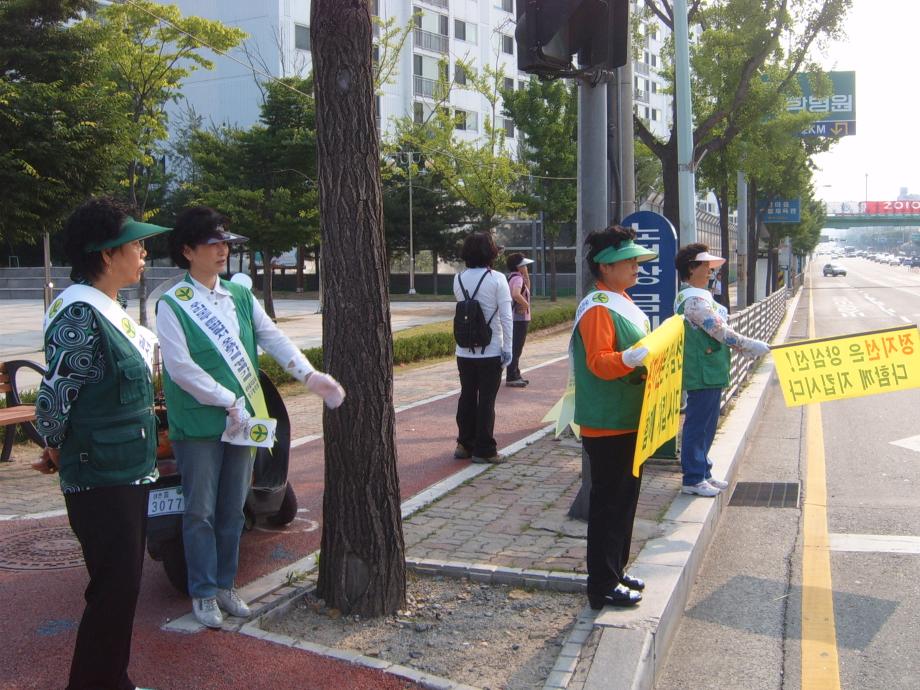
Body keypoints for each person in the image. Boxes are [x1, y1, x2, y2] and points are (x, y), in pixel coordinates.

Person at [156, 206, 345, 629]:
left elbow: (273, 338)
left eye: (225, 242)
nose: (222, 250)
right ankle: (202, 591)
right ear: (187, 250)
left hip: (243, 422)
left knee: (233, 510)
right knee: (199, 511)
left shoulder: (240, 296)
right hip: (200, 425)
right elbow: (181, 368)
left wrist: (310, 374)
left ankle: (225, 584)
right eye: (212, 243)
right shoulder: (171, 304)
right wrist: (227, 398)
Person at [32, 197, 169, 690]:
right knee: (113, 589)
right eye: (135, 245)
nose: (143, 255)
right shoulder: (78, 314)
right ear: (107, 255)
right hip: (99, 472)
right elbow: (54, 397)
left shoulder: (106, 307)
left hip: (124, 467)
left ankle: (112, 680)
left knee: (121, 587)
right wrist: (53, 446)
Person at [573, 225, 657, 610]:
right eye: (628, 261)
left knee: (625, 501)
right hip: (607, 422)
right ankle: (602, 584)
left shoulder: (620, 300)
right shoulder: (598, 308)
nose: (636, 266)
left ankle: (617, 569)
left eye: (636, 260)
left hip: (628, 418)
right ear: (605, 268)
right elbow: (598, 363)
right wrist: (630, 358)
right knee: (609, 505)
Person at [674, 244, 771, 497]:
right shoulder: (693, 301)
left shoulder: (699, 296)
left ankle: (703, 471)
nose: (709, 271)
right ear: (691, 268)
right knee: (698, 424)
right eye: (704, 266)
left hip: (711, 369)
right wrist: (749, 345)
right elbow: (719, 331)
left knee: (707, 423)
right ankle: (693, 478)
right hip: (701, 371)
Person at [452, 231, 513, 463]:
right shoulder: (497, 279)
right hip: (491, 349)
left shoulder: (457, 279)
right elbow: (506, 317)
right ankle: (485, 449)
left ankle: (463, 444)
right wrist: (508, 349)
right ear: (491, 252)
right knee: (486, 400)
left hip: (464, 350)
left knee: (466, 395)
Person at [505, 253, 533, 388]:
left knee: (516, 347)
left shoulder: (515, 278)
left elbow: (526, 290)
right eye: (524, 265)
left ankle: (515, 373)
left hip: (516, 318)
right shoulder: (517, 279)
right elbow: (516, 294)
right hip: (519, 318)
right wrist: (526, 305)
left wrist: (526, 275)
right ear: (517, 266)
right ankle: (512, 376)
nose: (526, 267)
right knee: (516, 347)